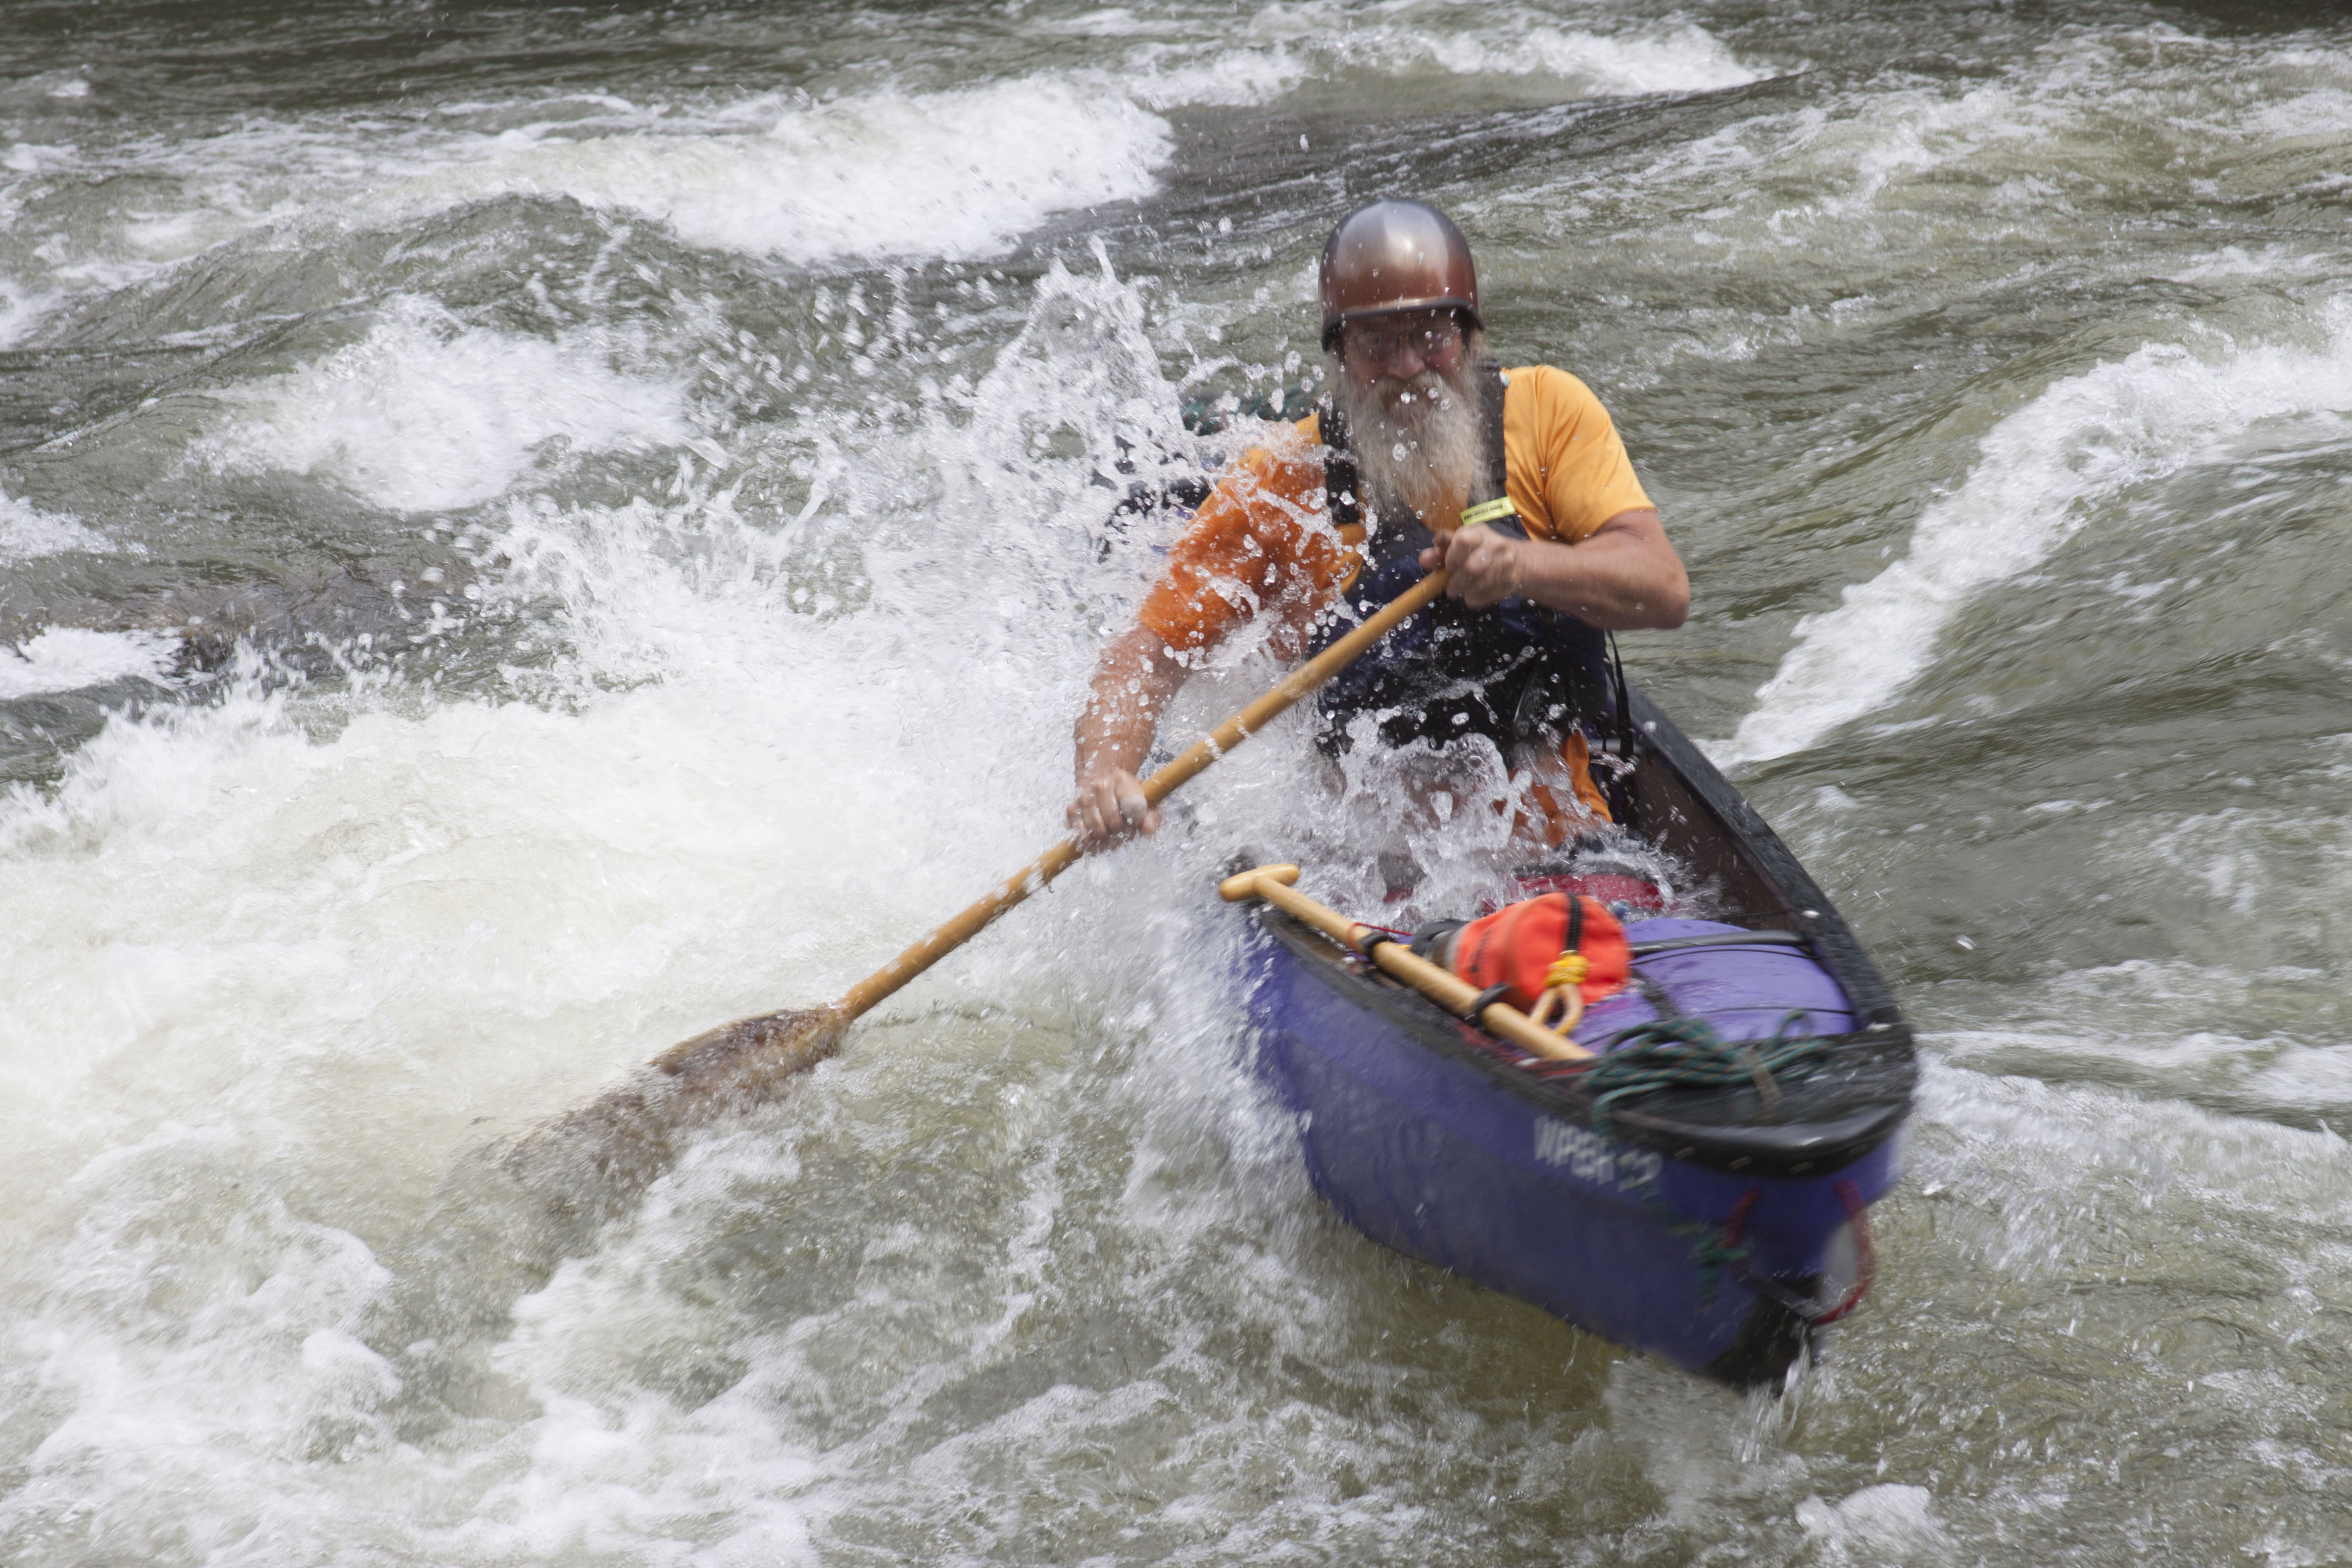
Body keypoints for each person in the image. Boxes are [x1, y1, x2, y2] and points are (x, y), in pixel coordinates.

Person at [1069, 198, 1688, 857]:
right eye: (1377, 344)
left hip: (1556, 842)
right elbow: (1148, 652)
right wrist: (1105, 775)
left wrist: (1526, 567)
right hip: (1369, 866)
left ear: (1469, 336)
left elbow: (1665, 590)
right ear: (1340, 354)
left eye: (1431, 337)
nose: (1408, 367)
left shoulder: (1549, 412)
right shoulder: (1283, 480)